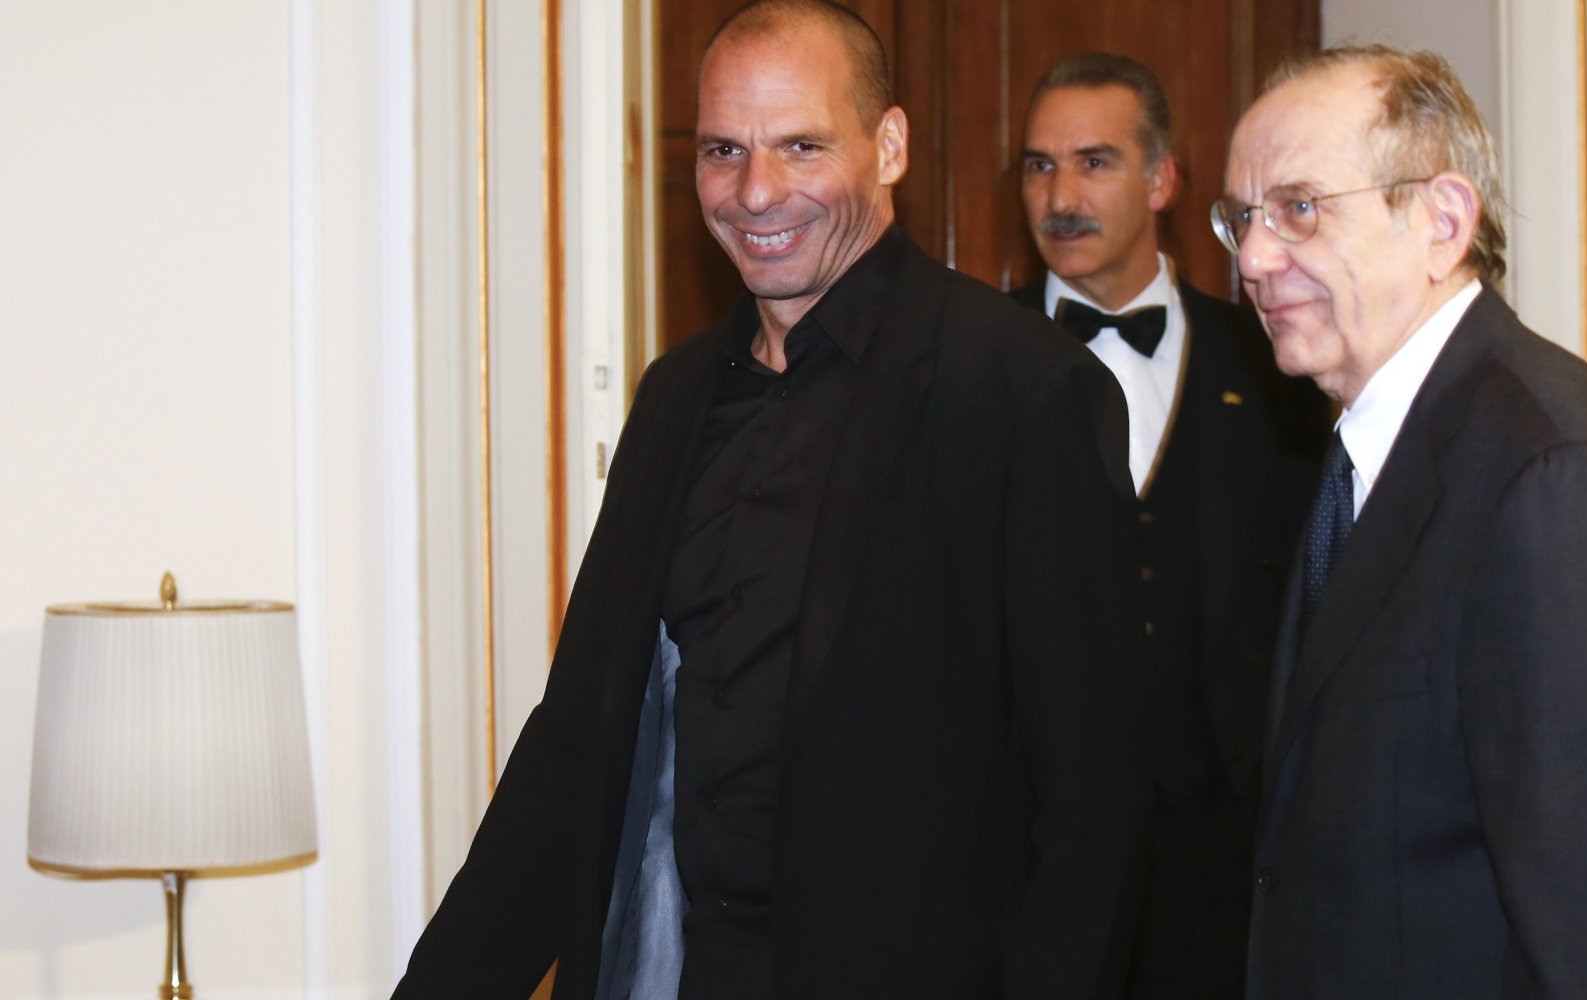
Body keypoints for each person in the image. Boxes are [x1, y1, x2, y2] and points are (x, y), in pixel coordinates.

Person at [393, 3, 1147, 998]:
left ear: (887, 146)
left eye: (800, 146)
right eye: (722, 150)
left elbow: (1095, 800)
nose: (754, 192)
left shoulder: (1018, 391)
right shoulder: (674, 395)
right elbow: (577, 740)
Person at [1218, 45, 1587, 998]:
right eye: (1240, 218)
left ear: (1441, 222)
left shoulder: (1551, 475)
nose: (1251, 258)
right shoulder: (1369, 446)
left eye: (1298, 208)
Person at [1010, 53, 1324, 1000]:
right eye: (1037, 165)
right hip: (1033, 858)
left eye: (1094, 162)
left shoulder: (1279, 361)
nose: (1060, 195)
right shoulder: (970, 370)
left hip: (1229, 862)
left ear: (1162, 180)